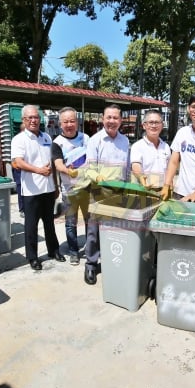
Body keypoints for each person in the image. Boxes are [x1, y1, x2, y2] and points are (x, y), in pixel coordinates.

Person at [11, 105, 66, 271]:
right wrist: (38, 170)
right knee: (31, 225)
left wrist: (56, 185)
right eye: (30, 118)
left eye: (36, 117)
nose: (34, 120)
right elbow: (18, 162)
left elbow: (54, 163)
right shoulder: (19, 140)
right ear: (24, 120)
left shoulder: (47, 138)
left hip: (48, 188)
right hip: (31, 191)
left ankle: (53, 250)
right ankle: (33, 257)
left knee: (49, 223)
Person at [83, 104, 130, 285]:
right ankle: (91, 264)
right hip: (99, 192)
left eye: (115, 118)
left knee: (116, 230)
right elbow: (89, 169)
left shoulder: (125, 141)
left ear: (120, 120)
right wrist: (98, 177)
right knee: (94, 230)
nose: (112, 121)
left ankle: (113, 261)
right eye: (108, 117)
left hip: (119, 193)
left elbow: (126, 169)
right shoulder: (95, 140)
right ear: (103, 119)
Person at [51, 107, 91, 266]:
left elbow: (92, 158)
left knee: (90, 221)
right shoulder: (57, 143)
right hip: (69, 190)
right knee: (70, 223)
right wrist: (68, 171)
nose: (69, 124)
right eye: (65, 121)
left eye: (72, 121)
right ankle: (74, 252)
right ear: (60, 124)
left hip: (87, 188)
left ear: (77, 122)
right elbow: (58, 164)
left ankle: (91, 249)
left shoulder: (85, 138)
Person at [130, 109, 171, 189]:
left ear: (162, 125)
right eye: (151, 122)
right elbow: (135, 165)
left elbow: (169, 169)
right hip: (143, 190)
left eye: (157, 123)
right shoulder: (137, 146)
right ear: (144, 125)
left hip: (163, 191)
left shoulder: (166, 147)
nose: (154, 126)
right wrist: (141, 177)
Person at [12, 123, 25, 218]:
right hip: (19, 168)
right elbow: (14, 160)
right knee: (21, 188)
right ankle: (22, 209)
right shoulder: (17, 139)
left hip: (27, 168)